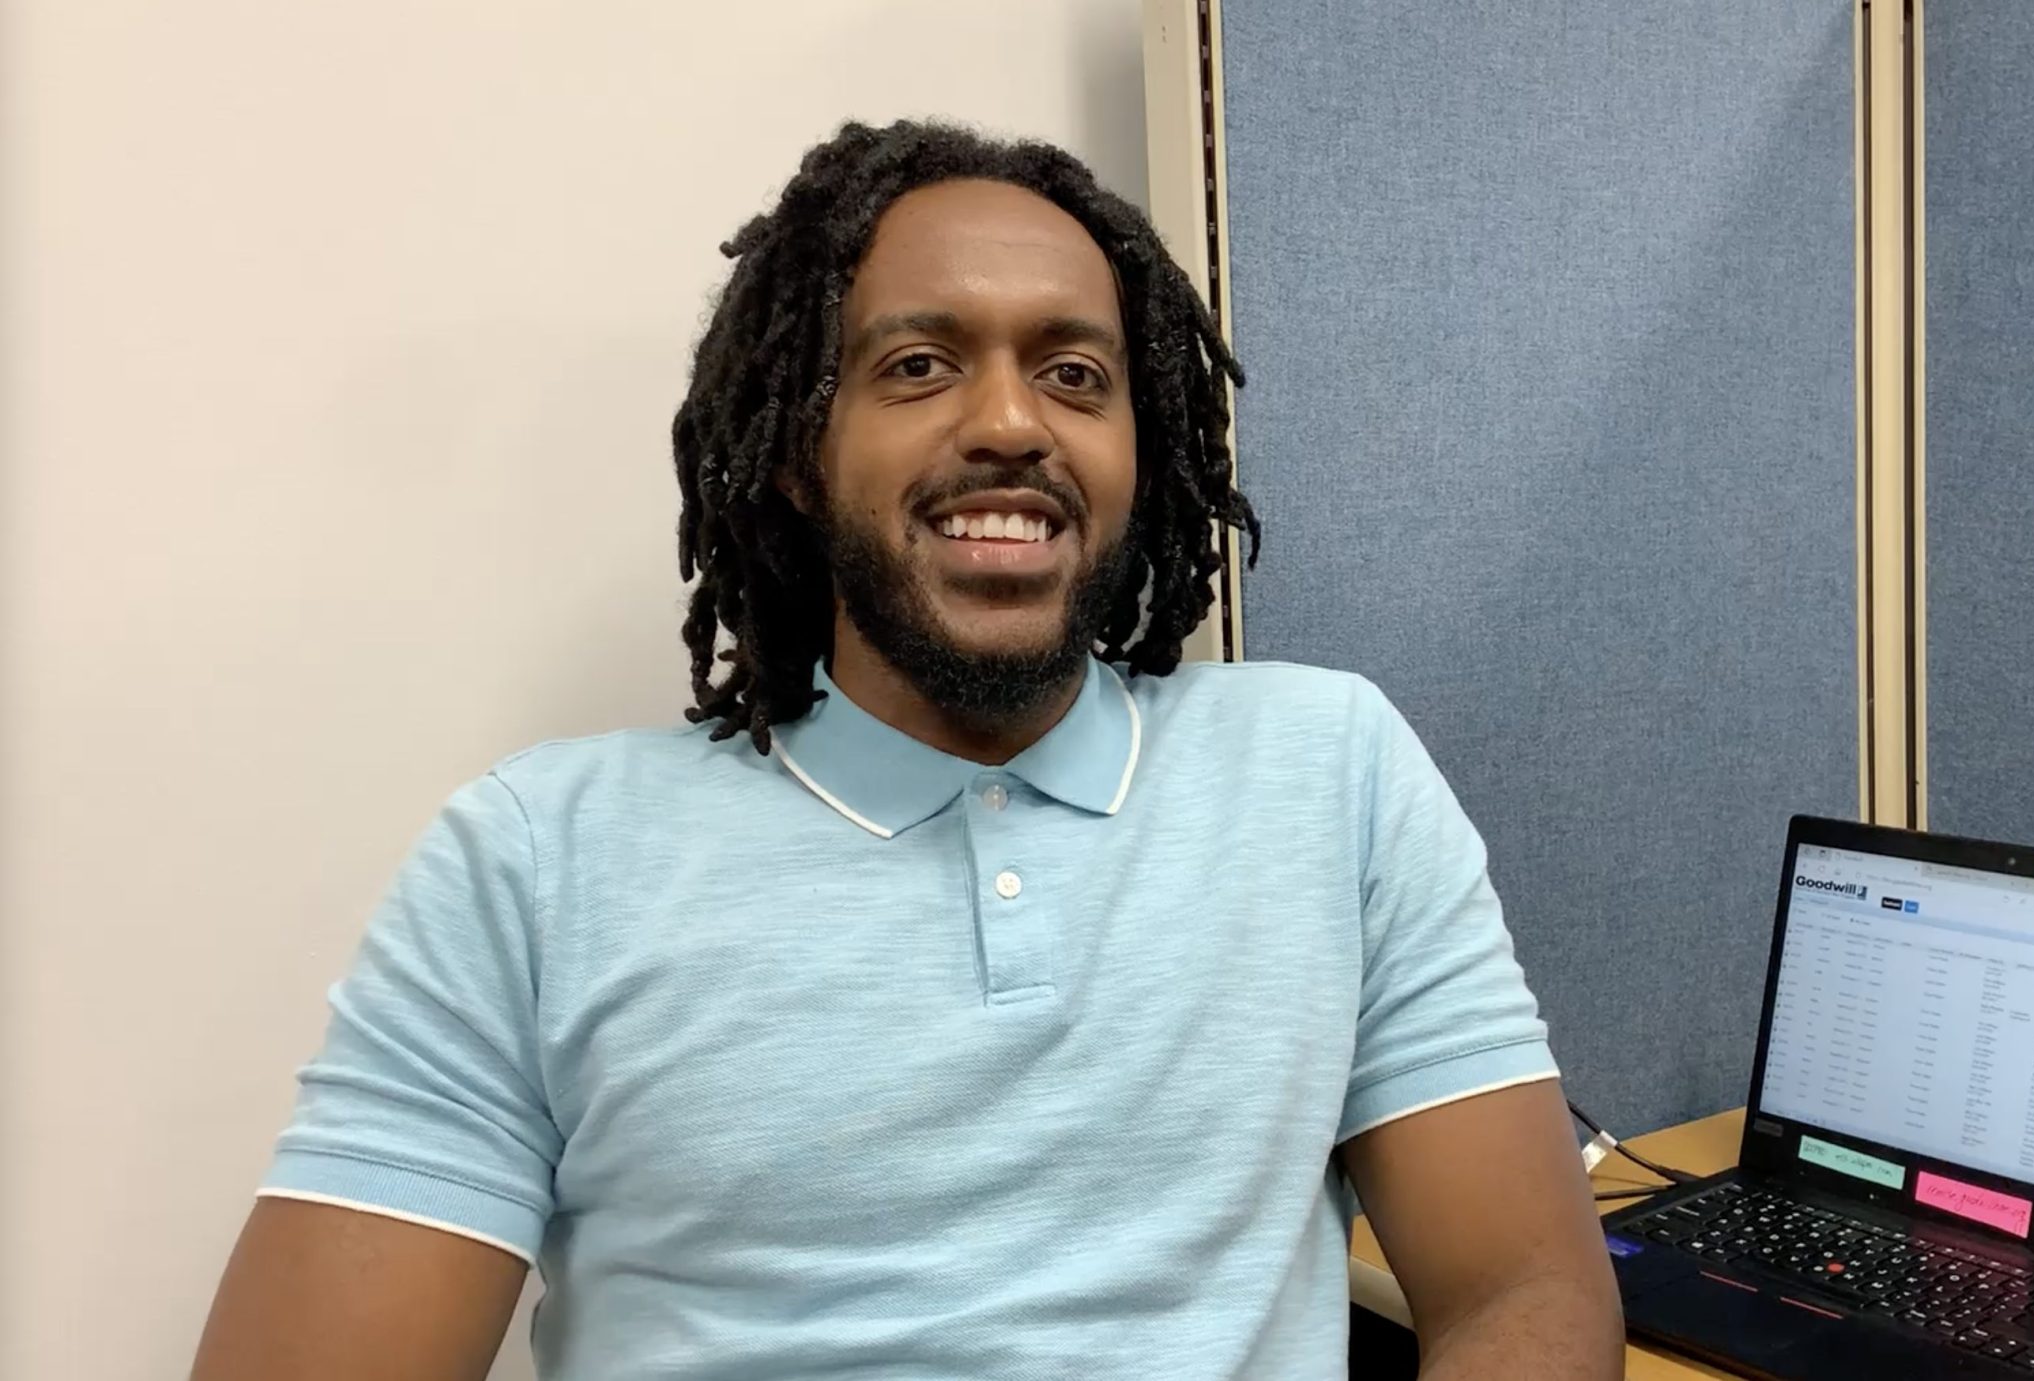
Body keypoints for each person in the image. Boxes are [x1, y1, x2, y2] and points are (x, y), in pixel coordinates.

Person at [191, 120, 1621, 1381]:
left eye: (1075, 372)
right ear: (803, 449)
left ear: (1144, 444)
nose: (1010, 423)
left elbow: (1529, 1292)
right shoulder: (535, 859)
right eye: (920, 364)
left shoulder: (1333, 773)